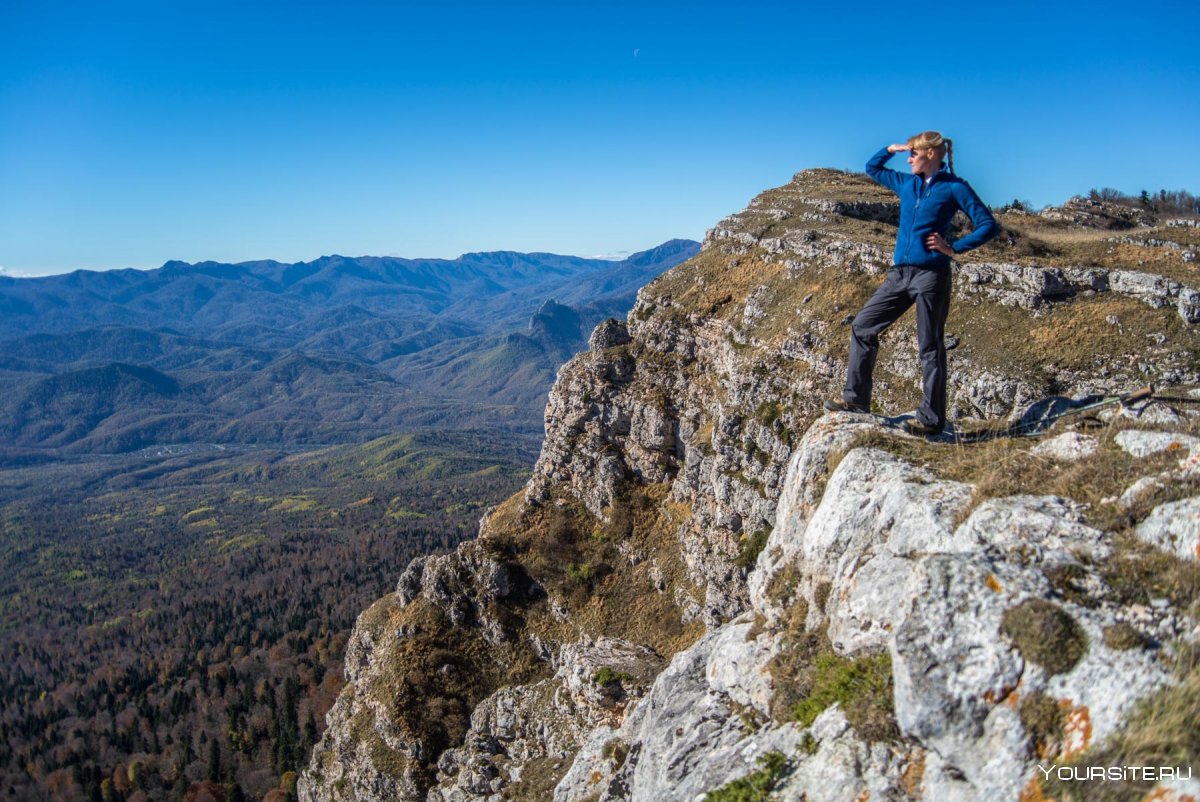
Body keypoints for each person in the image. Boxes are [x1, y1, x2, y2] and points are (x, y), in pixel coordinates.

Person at [824, 131, 998, 435]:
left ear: (930, 154)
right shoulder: (907, 183)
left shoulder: (955, 188)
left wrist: (954, 247)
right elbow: (873, 168)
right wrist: (891, 148)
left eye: (913, 154)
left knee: (930, 347)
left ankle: (931, 420)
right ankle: (856, 401)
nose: (908, 159)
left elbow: (987, 224)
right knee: (863, 326)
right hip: (899, 274)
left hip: (931, 275)